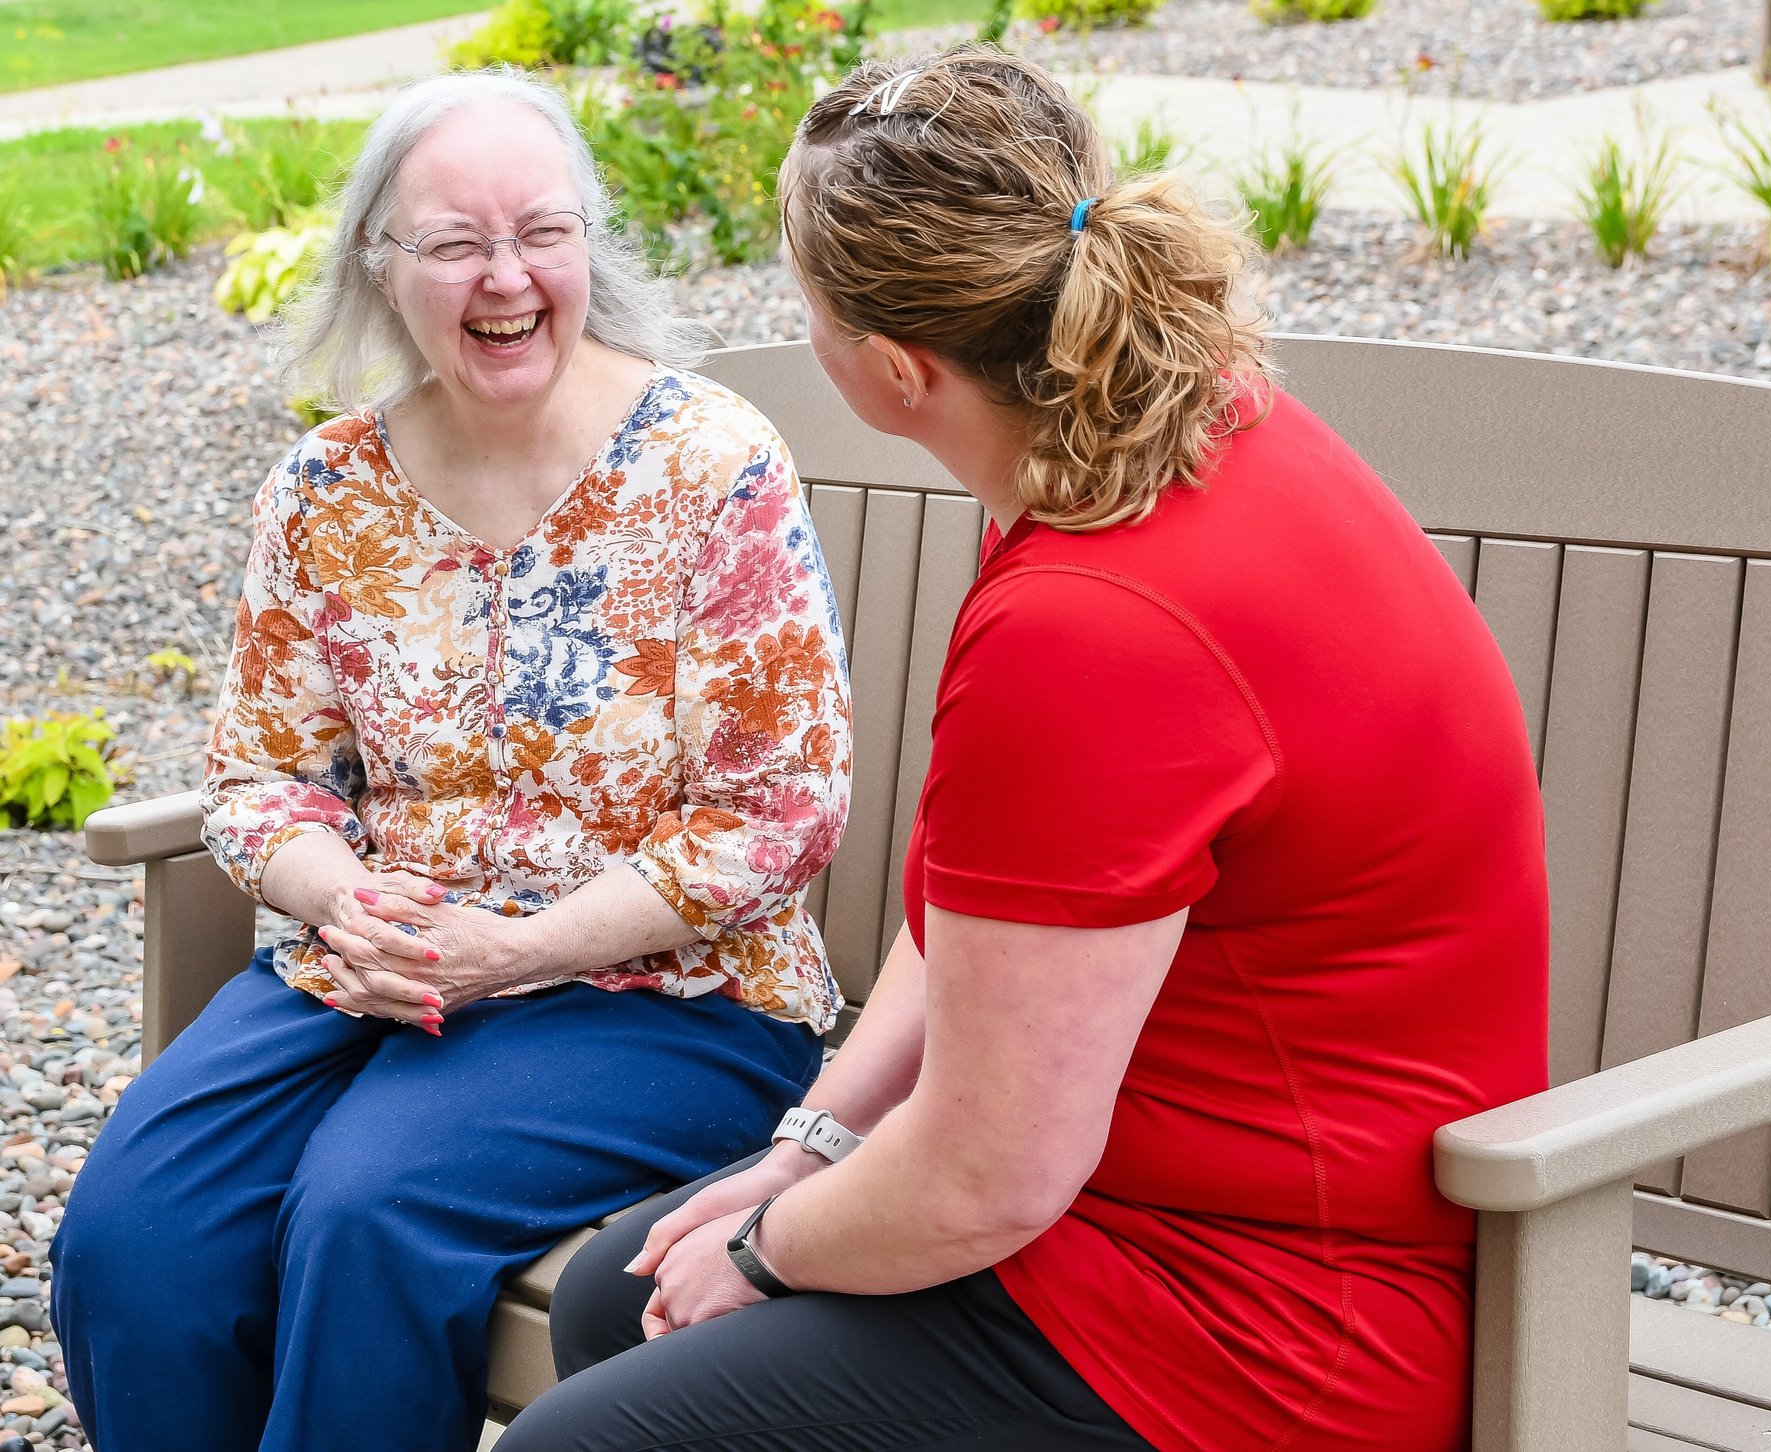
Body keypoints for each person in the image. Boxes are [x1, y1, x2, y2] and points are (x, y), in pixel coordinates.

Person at [498, 47, 1549, 1452]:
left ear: (893, 370)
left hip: (1268, 1328)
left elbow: (989, 1176)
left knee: (594, 1429)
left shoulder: (1091, 623)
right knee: (614, 1304)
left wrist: (765, 1249)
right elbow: (985, 919)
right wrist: (808, 1146)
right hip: (1140, 1215)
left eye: (800, 297)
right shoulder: (1144, 432)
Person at [49, 69, 852, 1452]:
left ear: (589, 243)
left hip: (666, 989)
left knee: (368, 1215)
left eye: (542, 230)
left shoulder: (712, 468)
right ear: (380, 264)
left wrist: (511, 952)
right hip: (380, 963)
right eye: (454, 241)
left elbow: (776, 814)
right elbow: (260, 778)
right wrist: (344, 899)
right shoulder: (326, 490)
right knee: (135, 1237)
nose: (507, 276)